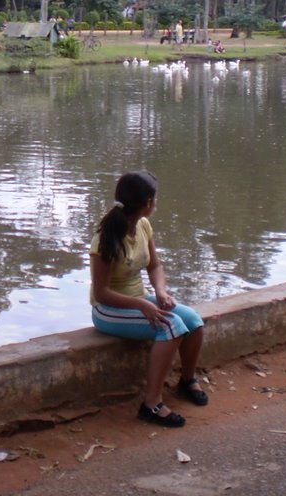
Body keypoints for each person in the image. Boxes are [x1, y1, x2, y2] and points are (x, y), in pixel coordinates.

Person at [89, 171, 207, 428]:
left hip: (139, 299)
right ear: (148, 203)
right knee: (171, 326)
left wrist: (160, 292)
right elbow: (101, 293)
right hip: (107, 309)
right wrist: (143, 305)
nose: (156, 203)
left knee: (194, 321)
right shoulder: (106, 238)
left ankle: (187, 380)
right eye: (155, 199)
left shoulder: (142, 225)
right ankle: (151, 404)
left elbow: (154, 266)